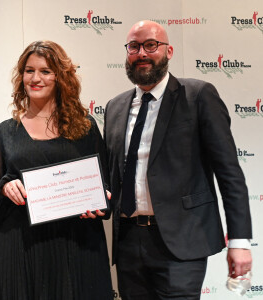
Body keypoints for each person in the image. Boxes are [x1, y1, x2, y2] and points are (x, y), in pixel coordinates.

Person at [104, 20, 252, 300]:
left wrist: (240, 241)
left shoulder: (198, 96)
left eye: (151, 45)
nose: (142, 53)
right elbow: (109, 177)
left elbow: (230, 173)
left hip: (182, 240)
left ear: (169, 51)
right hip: (127, 243)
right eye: (134, 47)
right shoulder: (115, 107)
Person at [0, 40, 113, 300]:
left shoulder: (85, 128)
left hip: (75, 246)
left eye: (45, 71)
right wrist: (6, 187)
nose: (35, 78)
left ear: (60, 77)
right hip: (19, 247)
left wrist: (102, 202)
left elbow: (105, 186)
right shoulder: (6, 132)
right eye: (29, 71)